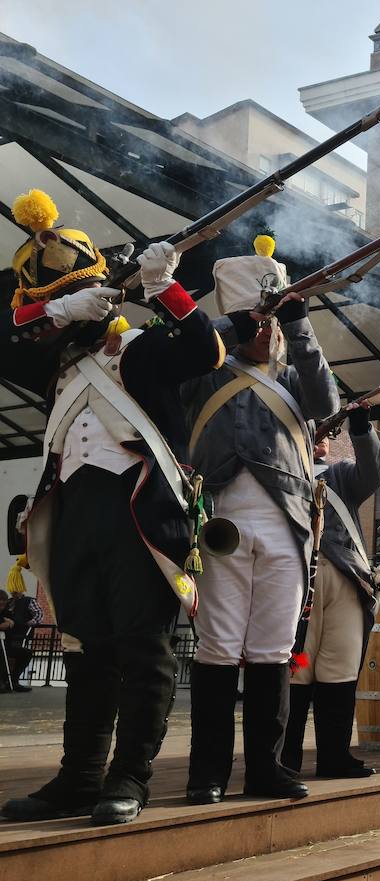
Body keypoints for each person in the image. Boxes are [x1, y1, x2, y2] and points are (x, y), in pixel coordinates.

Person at [0, 189, 223, 825]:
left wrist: (161, 288)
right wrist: (57, 309)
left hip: (138, 514)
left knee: (144, 651)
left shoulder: (143, 350)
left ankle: (129, 777)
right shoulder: (56, 370)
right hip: (73, 516)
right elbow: (11, 332)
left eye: (73, 298)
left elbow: (205, 351)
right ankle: (78, 777)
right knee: (85, 651)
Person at [183, 236, 340, 805]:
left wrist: (299, 324)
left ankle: (266, 770)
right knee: (219, 648)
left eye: (271, 322)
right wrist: (230, 326)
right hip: (220, 520)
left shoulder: (295, 377)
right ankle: (207, 773)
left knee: (273, 649)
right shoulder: (202, 371)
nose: (266, 332)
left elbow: (326, 402)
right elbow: (183, 354)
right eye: (261, 321)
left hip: (286, 523)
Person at [282, 408, 380, 779]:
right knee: (297, 668)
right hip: (296, 579)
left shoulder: (340, 474)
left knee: (339, 665)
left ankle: (334, 755)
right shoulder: (283, 470)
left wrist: (361, 429)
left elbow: (371, 474)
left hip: (343, 579)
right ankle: (285, 757)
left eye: (324, 432)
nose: (321, 437)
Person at [3, 583, 41, 692]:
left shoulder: (29, 601)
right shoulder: (9, 602)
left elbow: (38, 614)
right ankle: (8, 682)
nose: (14, 592)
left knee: (20, 654)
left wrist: (29, 623)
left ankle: (12, 681)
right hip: (8, 634)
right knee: (12, 657)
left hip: (20, 634)